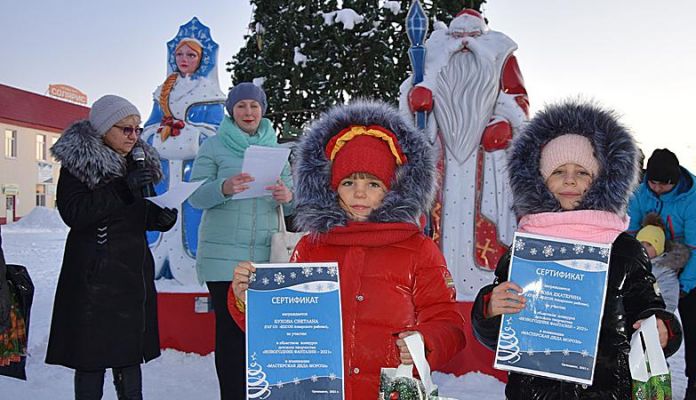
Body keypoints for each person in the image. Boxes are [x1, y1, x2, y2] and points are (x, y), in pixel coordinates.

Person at [228, 100, 466, 399]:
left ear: (393, 188)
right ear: (331, 187)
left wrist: (425, 341)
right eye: (349, 181)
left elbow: (447, 322)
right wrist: (246, 300)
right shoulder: (312, 246)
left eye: (374, 183)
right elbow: (281, 329)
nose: (360, 193)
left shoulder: (419, 249)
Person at [471, 100, 682, 399]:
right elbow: (500, 335)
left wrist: (663, 328)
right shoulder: (526, 248)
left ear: (601, 181)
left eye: (582, 172)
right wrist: (490, 309)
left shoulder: (623, 249)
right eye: (558, 171)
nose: (570, 179)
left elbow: (650, 304)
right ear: (540, 181)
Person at [45, 95, 178, 399]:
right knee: (91, 360)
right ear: (104, 129)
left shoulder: (139, 161)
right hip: (95, 278)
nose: (134, 136)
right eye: (126, 129)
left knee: (129, 358)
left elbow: (140, 210)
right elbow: (75, 214)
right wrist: (122, 187)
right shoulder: (79, 164)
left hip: (132, 276)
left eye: (137, 129)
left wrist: (160, 217)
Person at [399, 9, 529, 299]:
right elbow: (410, 124)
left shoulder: (500, 55)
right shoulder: (433, 61)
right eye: (458, 36)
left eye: (473, 36)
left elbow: (517, 100)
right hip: (440, 155)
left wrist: (506, 124)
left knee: (488, 232)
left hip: (489, 159)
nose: (465, 43)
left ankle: (485, 298)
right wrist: (414, 102)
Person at [188, 82, 293, 400]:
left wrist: (286, 195)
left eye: (254, 106)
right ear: (231, 111)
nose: (249, 112)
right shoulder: (214, 146)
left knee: (261, 336)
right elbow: (195, 196)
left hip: (265, 257)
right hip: (223, 262)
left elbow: (290, 199)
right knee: (232, 335)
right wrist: (223, 187)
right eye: (241, 106)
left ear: (263, 110)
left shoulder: (276, 149)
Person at [142, 17, 227, 285]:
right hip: (165, 172)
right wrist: (158, 134)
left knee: (193, 215)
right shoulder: (162, 94)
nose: (184, 59)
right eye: (179, 54)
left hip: (195, 173)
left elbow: (217, 132)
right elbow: (147, 129)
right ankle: (159, 261)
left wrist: (190, 135)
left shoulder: (209, 93)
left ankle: (190, 263)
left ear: (202, 58)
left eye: (190, 54)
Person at [627, 147, 696, 400]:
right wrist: (634, 265)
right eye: (652, 182)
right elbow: (630, 231)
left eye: (663, 184)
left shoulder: (693, 201)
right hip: (651, 262)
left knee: (694, 325)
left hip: (689, 263)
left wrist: (686, 285)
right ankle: (640, 383)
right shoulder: (640, 193)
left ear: (674, 181)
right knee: (645, 327)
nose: (657, 188)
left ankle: (694, 380)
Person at [636, 213, 690, 313]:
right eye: (640, 243)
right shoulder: (633, 265)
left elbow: (669, 299)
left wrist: (660, 316)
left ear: (658, 248)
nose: (644, 248)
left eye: (649, 245)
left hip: (652, 317)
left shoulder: (665, 271)